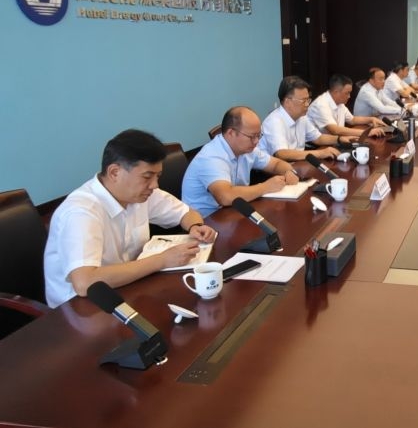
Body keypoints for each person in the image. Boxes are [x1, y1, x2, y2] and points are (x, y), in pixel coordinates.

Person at [43, 129, 217, 308]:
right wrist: (161, 260)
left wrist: (195, 226)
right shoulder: (81, 212)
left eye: (157, 176)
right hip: (80, 309)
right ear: (114, 172)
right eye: (147, 177)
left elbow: (186, 213)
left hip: (127, 288)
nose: (154, 185)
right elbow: (84, 282)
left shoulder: (140, 194)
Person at [182, 106, 300, 217]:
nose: (256, 142)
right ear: (231, 133)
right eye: (252, 136)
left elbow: (276, 164)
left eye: (259, 136)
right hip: (206, 222)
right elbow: (225, 196)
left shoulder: (247, 149)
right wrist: (266, 187)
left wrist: (288, 172)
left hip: (233, 212)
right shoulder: (212, 156)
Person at [260, 76, 343, 161]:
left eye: (308, 100)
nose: (307, 104)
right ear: (288, 102)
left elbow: (318, 138)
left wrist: (340, 139)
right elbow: (282, 153)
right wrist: (321, 153)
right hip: (275, 167)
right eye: (303, 101)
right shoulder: (274, 121)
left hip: (297, 163)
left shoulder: (302, 117)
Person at [307, 74, 386, 137]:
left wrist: (371, 119)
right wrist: (366, 132)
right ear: (336, 92)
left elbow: (352, 120)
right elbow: (335, 130)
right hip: (319, 146)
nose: (349, 96)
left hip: (335, 140)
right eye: (347, 93)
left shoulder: (339, 102)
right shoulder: (321, 105)